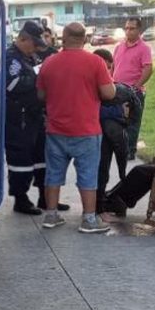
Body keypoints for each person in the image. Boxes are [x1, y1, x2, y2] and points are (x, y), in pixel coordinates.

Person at [37, 23, 116, 232]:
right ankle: (89, 220)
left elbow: (41, 95)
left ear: (63, 37)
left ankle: (51, 216)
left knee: (53, 174)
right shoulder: (96, 62)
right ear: (85, 39)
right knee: (88, 176)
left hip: (56, 129)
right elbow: (109, 93)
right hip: (86, 130)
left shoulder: (49, 63)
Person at [4, 20, 52, 215]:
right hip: (18, 119)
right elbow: (12, 85)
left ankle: (44, 196)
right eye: (33, 45)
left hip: (34, 117)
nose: (35, 50)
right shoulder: (11, 59)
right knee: (20, 160)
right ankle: (20, 199)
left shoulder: (29, 58)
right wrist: (38, 73)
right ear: (23, 39)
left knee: (42, 157)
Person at [92, 48, 140, 212]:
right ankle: (98, 204)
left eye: (107, 68)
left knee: (115, 168)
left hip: (114, 131)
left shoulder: (121, 90)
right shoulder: (92, 87)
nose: (104, 72)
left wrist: (129, 125)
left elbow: (135, 111)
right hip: (95, 132)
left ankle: (107, 201)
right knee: (100, 169)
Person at [112, 17, 153, 160]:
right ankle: (119, 149)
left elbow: (148, 69)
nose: (128, 31)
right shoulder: (119, 47)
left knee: (132, 123)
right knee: (117, 121)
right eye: (126, 28)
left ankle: (129, 151)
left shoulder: (144, 48)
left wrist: (136, 87)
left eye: (132, 28)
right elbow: (113, 67)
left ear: (139, 30)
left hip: (134, 92)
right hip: (116, 90)